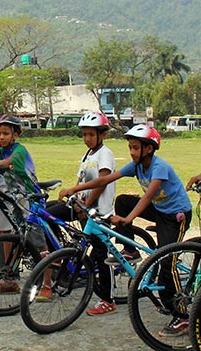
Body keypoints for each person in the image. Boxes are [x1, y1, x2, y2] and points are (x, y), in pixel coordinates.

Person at [61, 124, 193, 335]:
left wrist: (127, 219)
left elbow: (148, 196)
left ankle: (182, 316)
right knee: (123, 201)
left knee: (167, 263)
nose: (131, 152)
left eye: (135, 148)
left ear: (148, 149)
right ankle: (130, 250)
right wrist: (75, 189)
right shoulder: (137, 165)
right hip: (159, 210)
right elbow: (105, 179)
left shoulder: (159, 167)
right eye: (130, 147)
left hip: (175, 216)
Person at [48, 112, 118, 315]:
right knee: (49, 215)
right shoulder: (87, 155)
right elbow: (81, 182)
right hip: (84, 207)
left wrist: (85, 203)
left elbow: (102, 182)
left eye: (91, 134)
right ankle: (62, 255)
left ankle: (109, 300)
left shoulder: (105, 154)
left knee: (102, 256)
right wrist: (76, 200)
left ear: (102, 134)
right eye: (84, 134)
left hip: (99, 213)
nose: (87, 138)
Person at [0, 114, 41, 294]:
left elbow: (6, 163)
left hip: (30, 199)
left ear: (15, 135)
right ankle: (9, 279)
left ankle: (48, 285)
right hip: (16, 199)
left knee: (38, 244)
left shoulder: (19, 150)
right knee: (14, 235)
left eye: (5, 133)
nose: (1, 137)